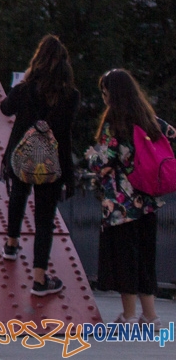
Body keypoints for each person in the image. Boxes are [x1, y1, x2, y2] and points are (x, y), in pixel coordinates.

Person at [84, 68, 176, 324]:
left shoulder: (116, 122)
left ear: (112, 94)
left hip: (121, 206)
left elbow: (103, 161)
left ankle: (128, 314)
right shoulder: (148, 118)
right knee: (146, 258)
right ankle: (151, 316)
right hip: (148, 200)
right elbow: (171, 133)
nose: (103, 98)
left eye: (104, 93)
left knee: (126, 260)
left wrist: (91, 154)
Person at [0, 34, 79, 299]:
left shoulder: (25, 89)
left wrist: (20, 85)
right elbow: (65, 136)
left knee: (18, 195)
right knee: (45, 219)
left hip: (22, 154)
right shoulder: (70, 96)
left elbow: (5, 109)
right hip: (51, 161)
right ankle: (40, 280)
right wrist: (68, 173)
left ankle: (11, 244)